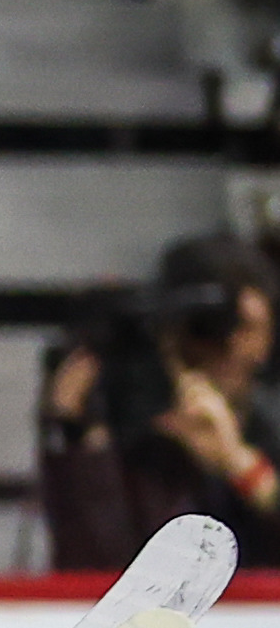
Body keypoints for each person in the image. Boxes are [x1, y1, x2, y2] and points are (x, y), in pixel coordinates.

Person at [40, 231, 280, 567]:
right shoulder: (127, 426)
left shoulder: (268, 426)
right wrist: (83, 441)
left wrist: (239, 463)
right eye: (224, 328)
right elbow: (101, 575)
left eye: (255, 330)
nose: (247, 351)